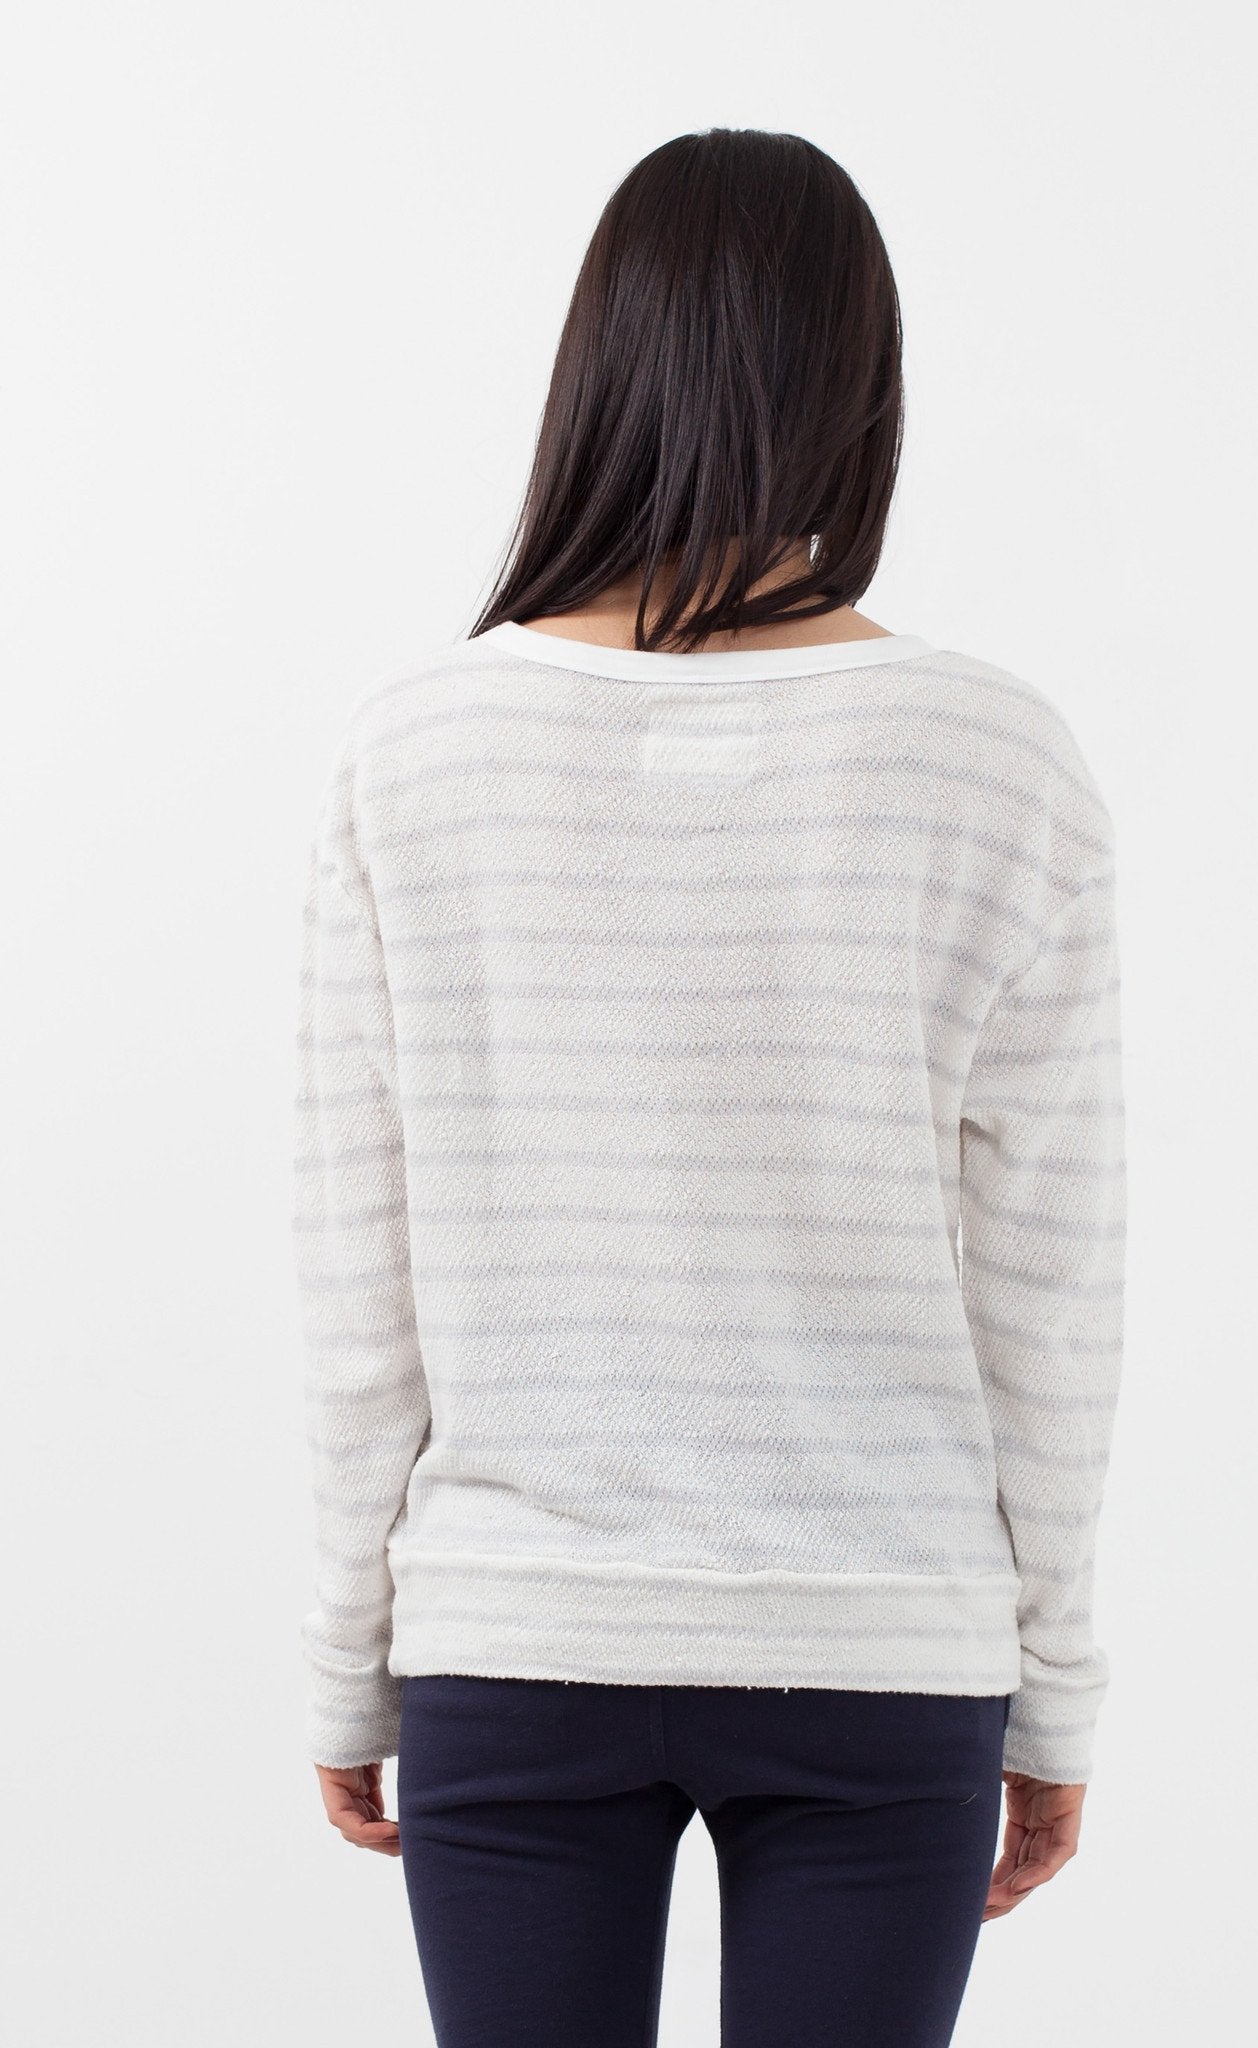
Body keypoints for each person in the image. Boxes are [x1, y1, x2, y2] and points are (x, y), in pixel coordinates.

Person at [294, 125, 1126, 2048]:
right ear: (863, 389)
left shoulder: (415, 753)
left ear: (599, 368)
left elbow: (361, 1280)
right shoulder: (996, 760)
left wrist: (351, 1653)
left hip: (514, 1635)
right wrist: (1056, 1687)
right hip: (881, 1643)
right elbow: (1050, 1293)